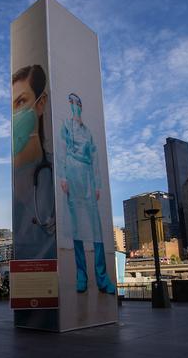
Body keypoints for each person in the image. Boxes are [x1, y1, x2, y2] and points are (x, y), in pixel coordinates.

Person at [59, 93, 115, 294]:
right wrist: (63, 176)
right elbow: (62, 150)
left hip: (88, 178)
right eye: (72, 102)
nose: (75, 106)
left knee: (96, 229)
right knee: (77, 228)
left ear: (81, 106)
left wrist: (98, 184)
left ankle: (102, 278)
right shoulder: (66, 126)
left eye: (78, 103)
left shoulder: (88, 132)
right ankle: (81, 275)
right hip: (73, 175)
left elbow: (95, 158)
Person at [11, 64, 56, 260]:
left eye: (20, 101)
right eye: (9, 106)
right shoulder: (5, 178)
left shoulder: (57, 172)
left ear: (40, 103)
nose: (14, 115)